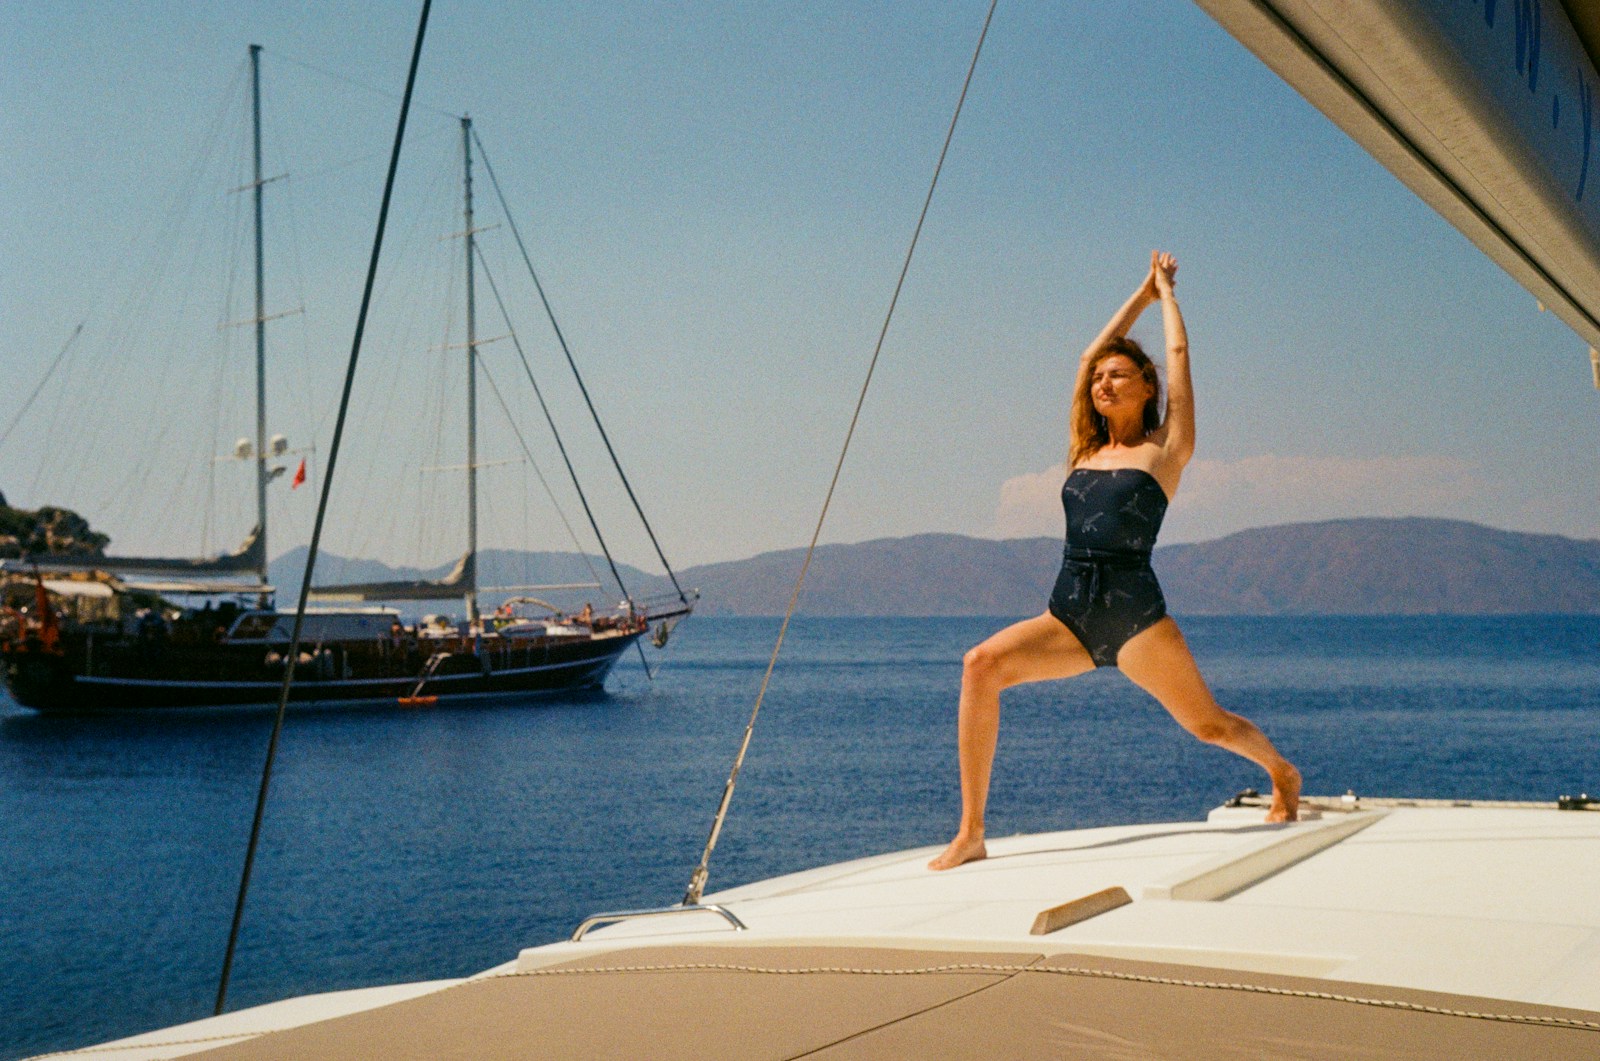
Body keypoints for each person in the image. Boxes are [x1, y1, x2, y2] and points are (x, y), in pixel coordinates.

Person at [928, 251, 1301, 872]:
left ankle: (1281, 771)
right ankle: (971, 831)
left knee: (1208, 727)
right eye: (1100, 378)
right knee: (981, 665)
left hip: (1136, 620)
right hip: (1069, 615)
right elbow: (1083, 359)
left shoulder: (1166, 450)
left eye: (1119, 375)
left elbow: (1178, 360)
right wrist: (1139, 295)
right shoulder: (1084, 449)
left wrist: (1169, 299)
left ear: (1147, 386)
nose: (1104, 383)